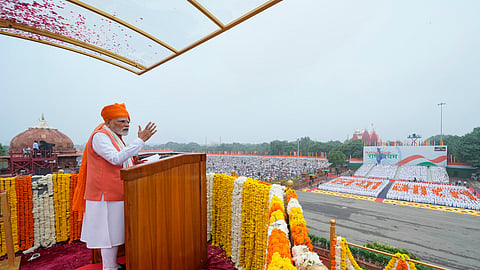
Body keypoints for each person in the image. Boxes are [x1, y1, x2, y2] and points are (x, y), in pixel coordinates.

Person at [73, 103, 157, 270]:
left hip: (117, 191)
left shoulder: (116, 137)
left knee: (114, 233)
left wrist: (135, 161)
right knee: (107, 234)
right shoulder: (100, 136)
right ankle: (109, 267)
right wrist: (140, 140)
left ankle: (112, 265)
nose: (127, 125)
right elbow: (115, 159)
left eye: (128, 122)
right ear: (109, 121)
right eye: (122, 121)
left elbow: (121, 159)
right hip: (104, 194)